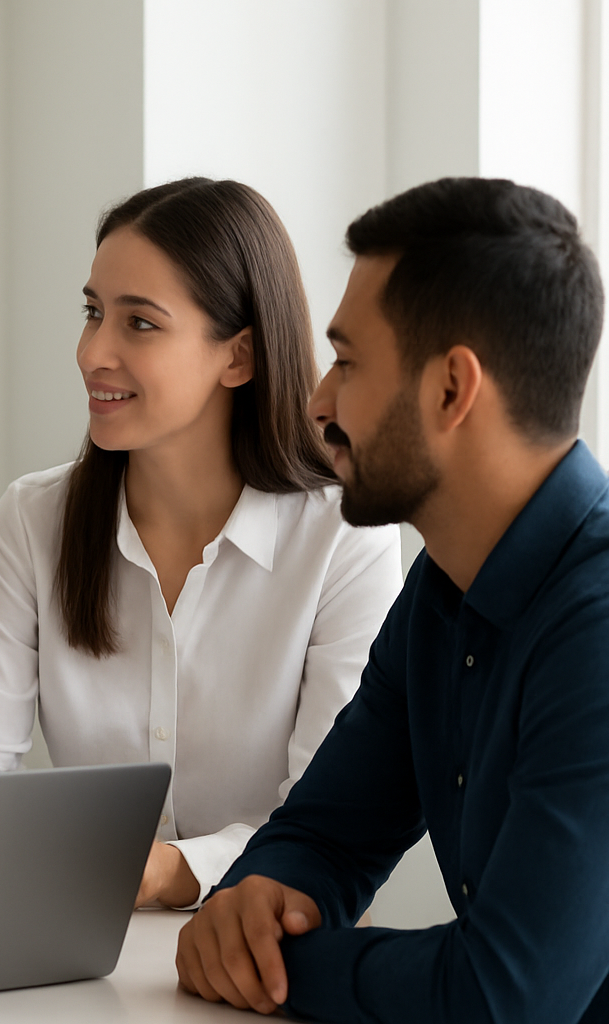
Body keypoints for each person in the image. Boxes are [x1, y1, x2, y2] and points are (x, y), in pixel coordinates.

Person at [175, 178, 609, 1023]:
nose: (317, 403)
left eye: (348, 361)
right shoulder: (442, 590)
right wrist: (251, 909)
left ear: (452, 390)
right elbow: (325, 835)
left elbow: (500, 997)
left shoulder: (597, 629)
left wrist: (278, 969)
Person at [0, 178, 403, 909]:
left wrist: (162, 871)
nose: (94, 352)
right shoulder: (36, 518)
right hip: (69, 944)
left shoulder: (344, 537)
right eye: (92, 313)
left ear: (239, 357)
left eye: (140, 324)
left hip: (263, 949)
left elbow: (326, 819)